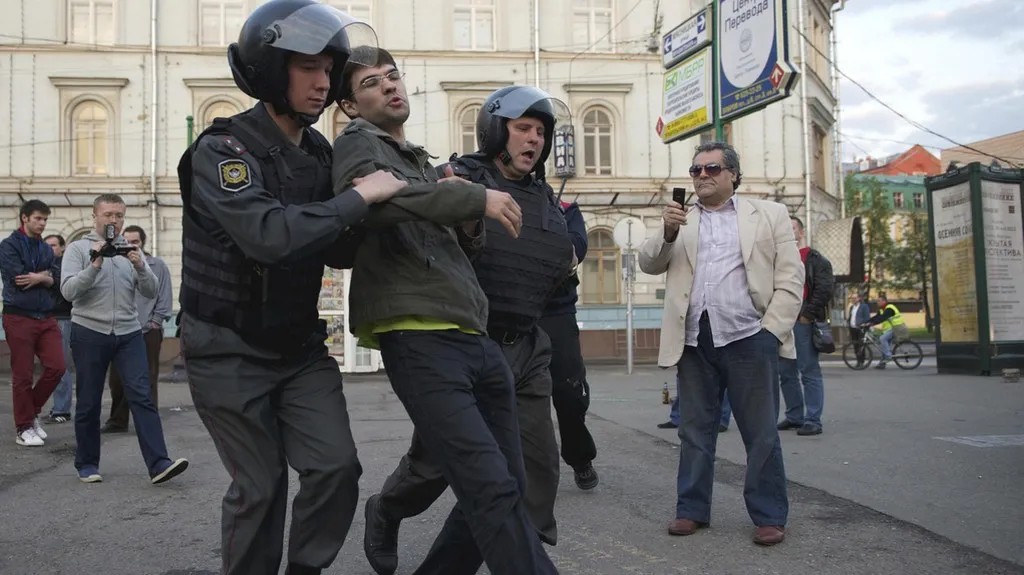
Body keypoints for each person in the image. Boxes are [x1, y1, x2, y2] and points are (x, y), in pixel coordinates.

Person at [175, 3, 404, 574]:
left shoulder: (320, 155)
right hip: (226, 349)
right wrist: (358, 199)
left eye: (329, 70)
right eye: (308, 68)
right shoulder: (224, 151)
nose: (324, 81)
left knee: (335, 468)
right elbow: (268, 236)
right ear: (271, 70)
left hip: (298, 350)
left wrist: (410, 199)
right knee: (260, 485)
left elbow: (338, 248)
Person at [331, 50, 557, 575]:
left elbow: (452, 243)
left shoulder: (416, 160)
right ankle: (386, 511)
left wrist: (461, 208)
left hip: (472, 332)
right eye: (372, 83)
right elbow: (372, 201)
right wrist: (470, 197)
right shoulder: (357, 144)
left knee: (510, 483)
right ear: (349, 104)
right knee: (491, 488)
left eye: (393, 76)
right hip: (418, 334)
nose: (390, 87)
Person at [638, 141, 803, 547]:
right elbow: (649, 263)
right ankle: (691, 510)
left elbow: (790, 279)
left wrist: (771, 333)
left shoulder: (769, 214)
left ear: (732, 174)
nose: (702, 176)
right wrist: (668, 231)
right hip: (695, 340)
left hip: (750, 337)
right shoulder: (680, 220)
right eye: (695, 171)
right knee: (694, 432)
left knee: (760, 432)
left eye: (711, 168)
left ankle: (768, 515)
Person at [60, 194, 189, 486]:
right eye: (108, 215)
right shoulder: (79, 249)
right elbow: (69, 292)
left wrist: (140, 266)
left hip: (130, 333)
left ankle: (159, 464)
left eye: (119, 215)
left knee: (141, 396)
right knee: (90, 400)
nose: (114, 221)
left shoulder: (130, 250)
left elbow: (150, 291)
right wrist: (94, 264)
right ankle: (88, 463)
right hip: (89, 331)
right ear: (95, 215)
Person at [0, 200, 65, 447]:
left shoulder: (47, 250)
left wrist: (42, 277)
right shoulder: (8, 246)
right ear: (24, 218)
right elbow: (19, 278)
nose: (42, 223)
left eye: (45, 220)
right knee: (23, 375)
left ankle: (30, 412)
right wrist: (44, 277)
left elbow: (56, 278)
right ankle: (23, 428)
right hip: (19, 316)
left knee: (57, 367)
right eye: (38, 218)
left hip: (46, 316)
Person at [102, 225, 172, 433]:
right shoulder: (116, 264)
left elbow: (164, 293)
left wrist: (156, 322)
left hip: (148, 329)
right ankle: (118, 420)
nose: (131, 245)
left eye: (136, 242)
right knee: (117, 379)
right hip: (120, 329)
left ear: (142, 243)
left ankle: (148, 423)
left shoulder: (156, 265)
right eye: (127, 241)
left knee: (148, 377)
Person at [777, 216, 834, 436]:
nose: (788, 231)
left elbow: (825, 288)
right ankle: (794, 416)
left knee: (808, 370)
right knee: (786, 372)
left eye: (791, 228)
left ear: (801, 232)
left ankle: (813, 419)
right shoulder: (779, 258)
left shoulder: (814, 259)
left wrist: (807, 316)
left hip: (803, 321)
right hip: (782, 321)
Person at [44, 233, 74, 424]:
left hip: (62, 318)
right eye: (47, 246)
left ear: (62, 247)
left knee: (61, 365)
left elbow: (66, 291)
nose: (50, 249)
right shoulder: (42, 265)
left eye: (54, 245)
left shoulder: (65, 265)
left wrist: (48, 279)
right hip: (44, 318)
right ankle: (57, 407)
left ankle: (62, 410)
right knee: (51, 366)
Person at [861, 294, 909, 369]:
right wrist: (867, 322)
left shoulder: (890, 308)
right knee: (884, 345)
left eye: (879, 301)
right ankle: (882, 364)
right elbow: (876, 317)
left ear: (884, 301)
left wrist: (872, 324)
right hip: (889, 329)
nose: (877, 302)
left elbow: (883, 318)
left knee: (882, 339)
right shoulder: (882, 309)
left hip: (897, 328)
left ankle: (888, 356)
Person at [847, 292, 870, 367]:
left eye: (855, 298)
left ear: (859, 298)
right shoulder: (852, 307)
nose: (853, 299)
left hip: (860, 328)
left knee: (861, 345)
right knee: (855, 345)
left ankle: (861, 361)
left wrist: (865, 324)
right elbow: (851, 317)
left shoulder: (864, 306)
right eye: (852, 298)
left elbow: (867, 317)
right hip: (853, 328)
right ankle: (858, 360)